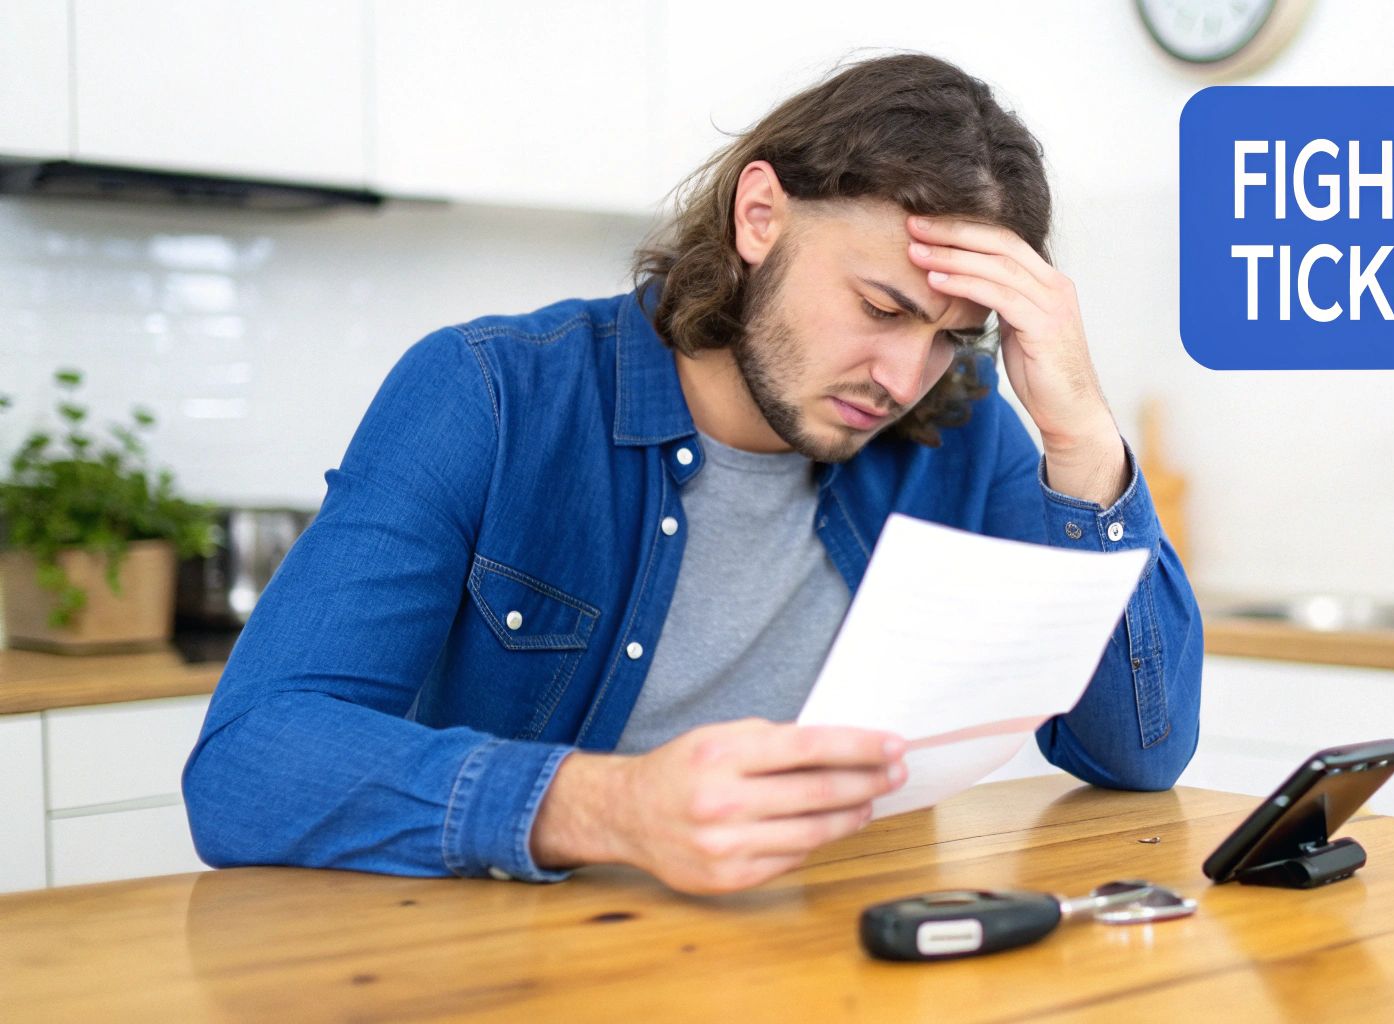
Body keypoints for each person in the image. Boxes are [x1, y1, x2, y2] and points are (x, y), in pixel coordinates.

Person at [182, 53, 1202, 896]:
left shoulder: (963, 429)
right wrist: (605, 807)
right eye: (881, 308)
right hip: (514, 968)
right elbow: (246, 763)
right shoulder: (489, 395)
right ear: (759, 215)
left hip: (831, 962)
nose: (903, 376)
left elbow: (1136, 752)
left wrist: (1078, 434)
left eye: (950, 336)